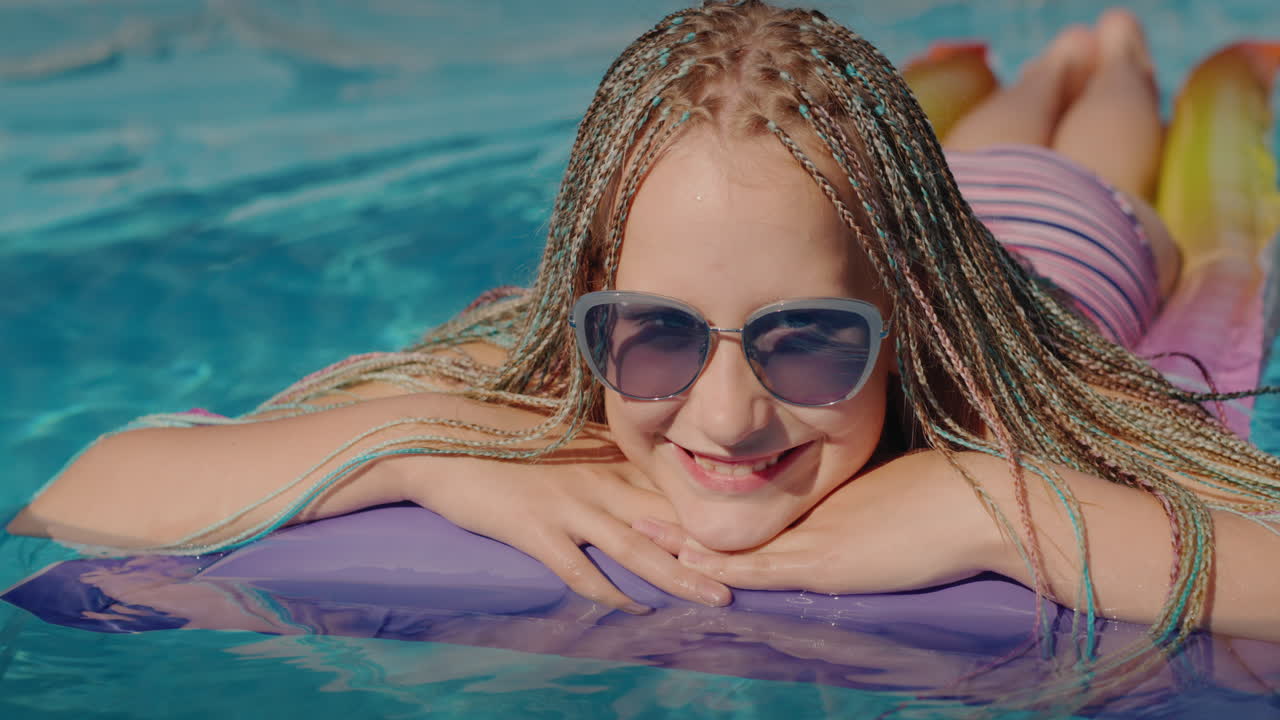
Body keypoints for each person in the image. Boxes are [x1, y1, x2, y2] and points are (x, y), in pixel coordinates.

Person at [9, 0, 1280, 668]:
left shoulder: (983, 383)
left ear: (907, 325)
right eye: (655, 336)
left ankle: (1102, 52)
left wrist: (996, 507)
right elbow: (71, 496)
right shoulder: (536, 371)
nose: (725, 417)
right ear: (589, 305)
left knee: (1081, 140)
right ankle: (1060, 61)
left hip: (1062, 247)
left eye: (810, 342)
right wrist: (409, 446)